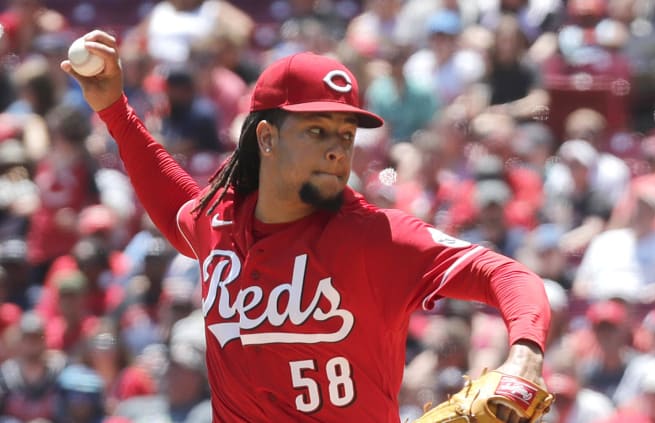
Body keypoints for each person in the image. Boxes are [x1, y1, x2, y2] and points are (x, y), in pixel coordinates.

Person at [62, 30, 551, 421]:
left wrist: (525, 352)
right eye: (316, 130)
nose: (337, 147)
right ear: (267, 138)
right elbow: (177, 209)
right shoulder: (220, 221)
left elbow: (508, 275)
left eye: (345, 133)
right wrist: (114, 110)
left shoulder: (376, 236)